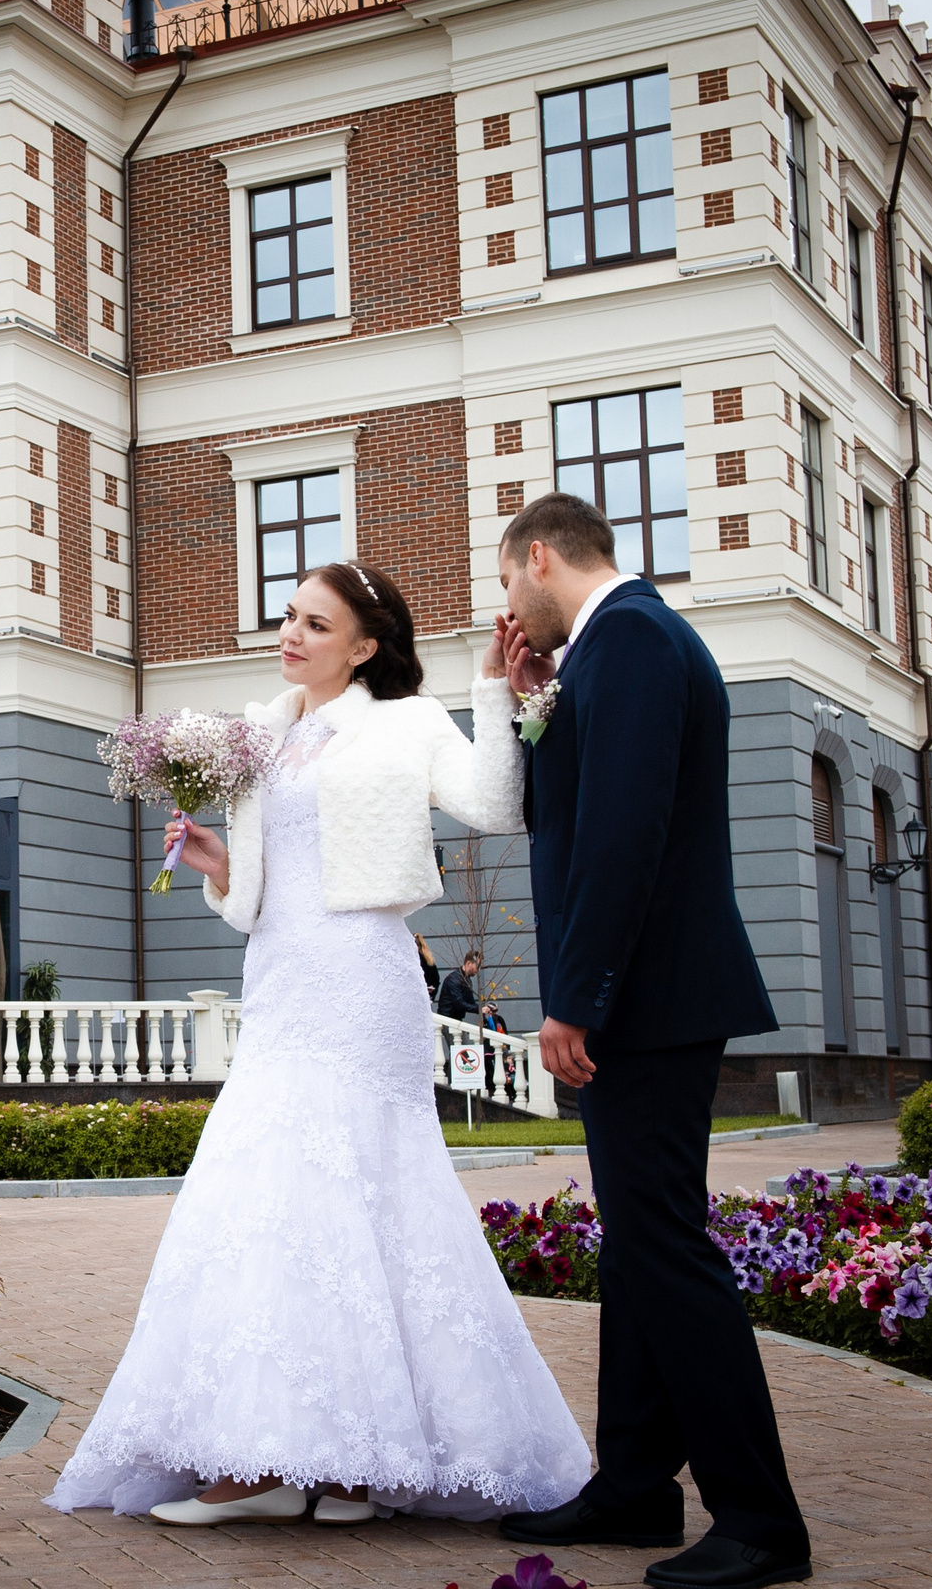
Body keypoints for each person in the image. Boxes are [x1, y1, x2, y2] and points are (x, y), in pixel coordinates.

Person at [46, 561, 590, 1528]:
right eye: (290, 616)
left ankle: (315, 1469)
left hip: (361, 983)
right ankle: (313, 1460)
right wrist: (219, 867)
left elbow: (497, 807)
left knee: (354, 1200)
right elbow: (258, 897)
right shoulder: (262, 730)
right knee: (278, 1207)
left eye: (317, 624)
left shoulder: (408, 721)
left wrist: (490, 693)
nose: (291, 635)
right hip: (279, 980)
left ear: (366, 645)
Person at [491, 494, 811, 1589]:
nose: (508, 606)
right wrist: (536, 704)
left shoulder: (628, 638)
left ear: (539, 557)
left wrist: (577, 997)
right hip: (653, 996)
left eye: (507, 582)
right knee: (637, 1245)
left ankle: (760, 1520)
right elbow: (570, 812)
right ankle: (633, 1485)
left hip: (647, 999)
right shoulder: (618, 646)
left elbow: (624, 835)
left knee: (665, 1249)